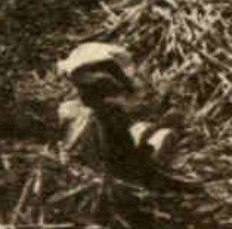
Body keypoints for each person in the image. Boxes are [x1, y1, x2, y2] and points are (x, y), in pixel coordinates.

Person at [55, 42, 178, 184]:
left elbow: (65, 146)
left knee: (144, 128)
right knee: (165, 134)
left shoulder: (67, 109)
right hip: (112, 176)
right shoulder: (111, 114)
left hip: (85, 169)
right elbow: (126, 160)